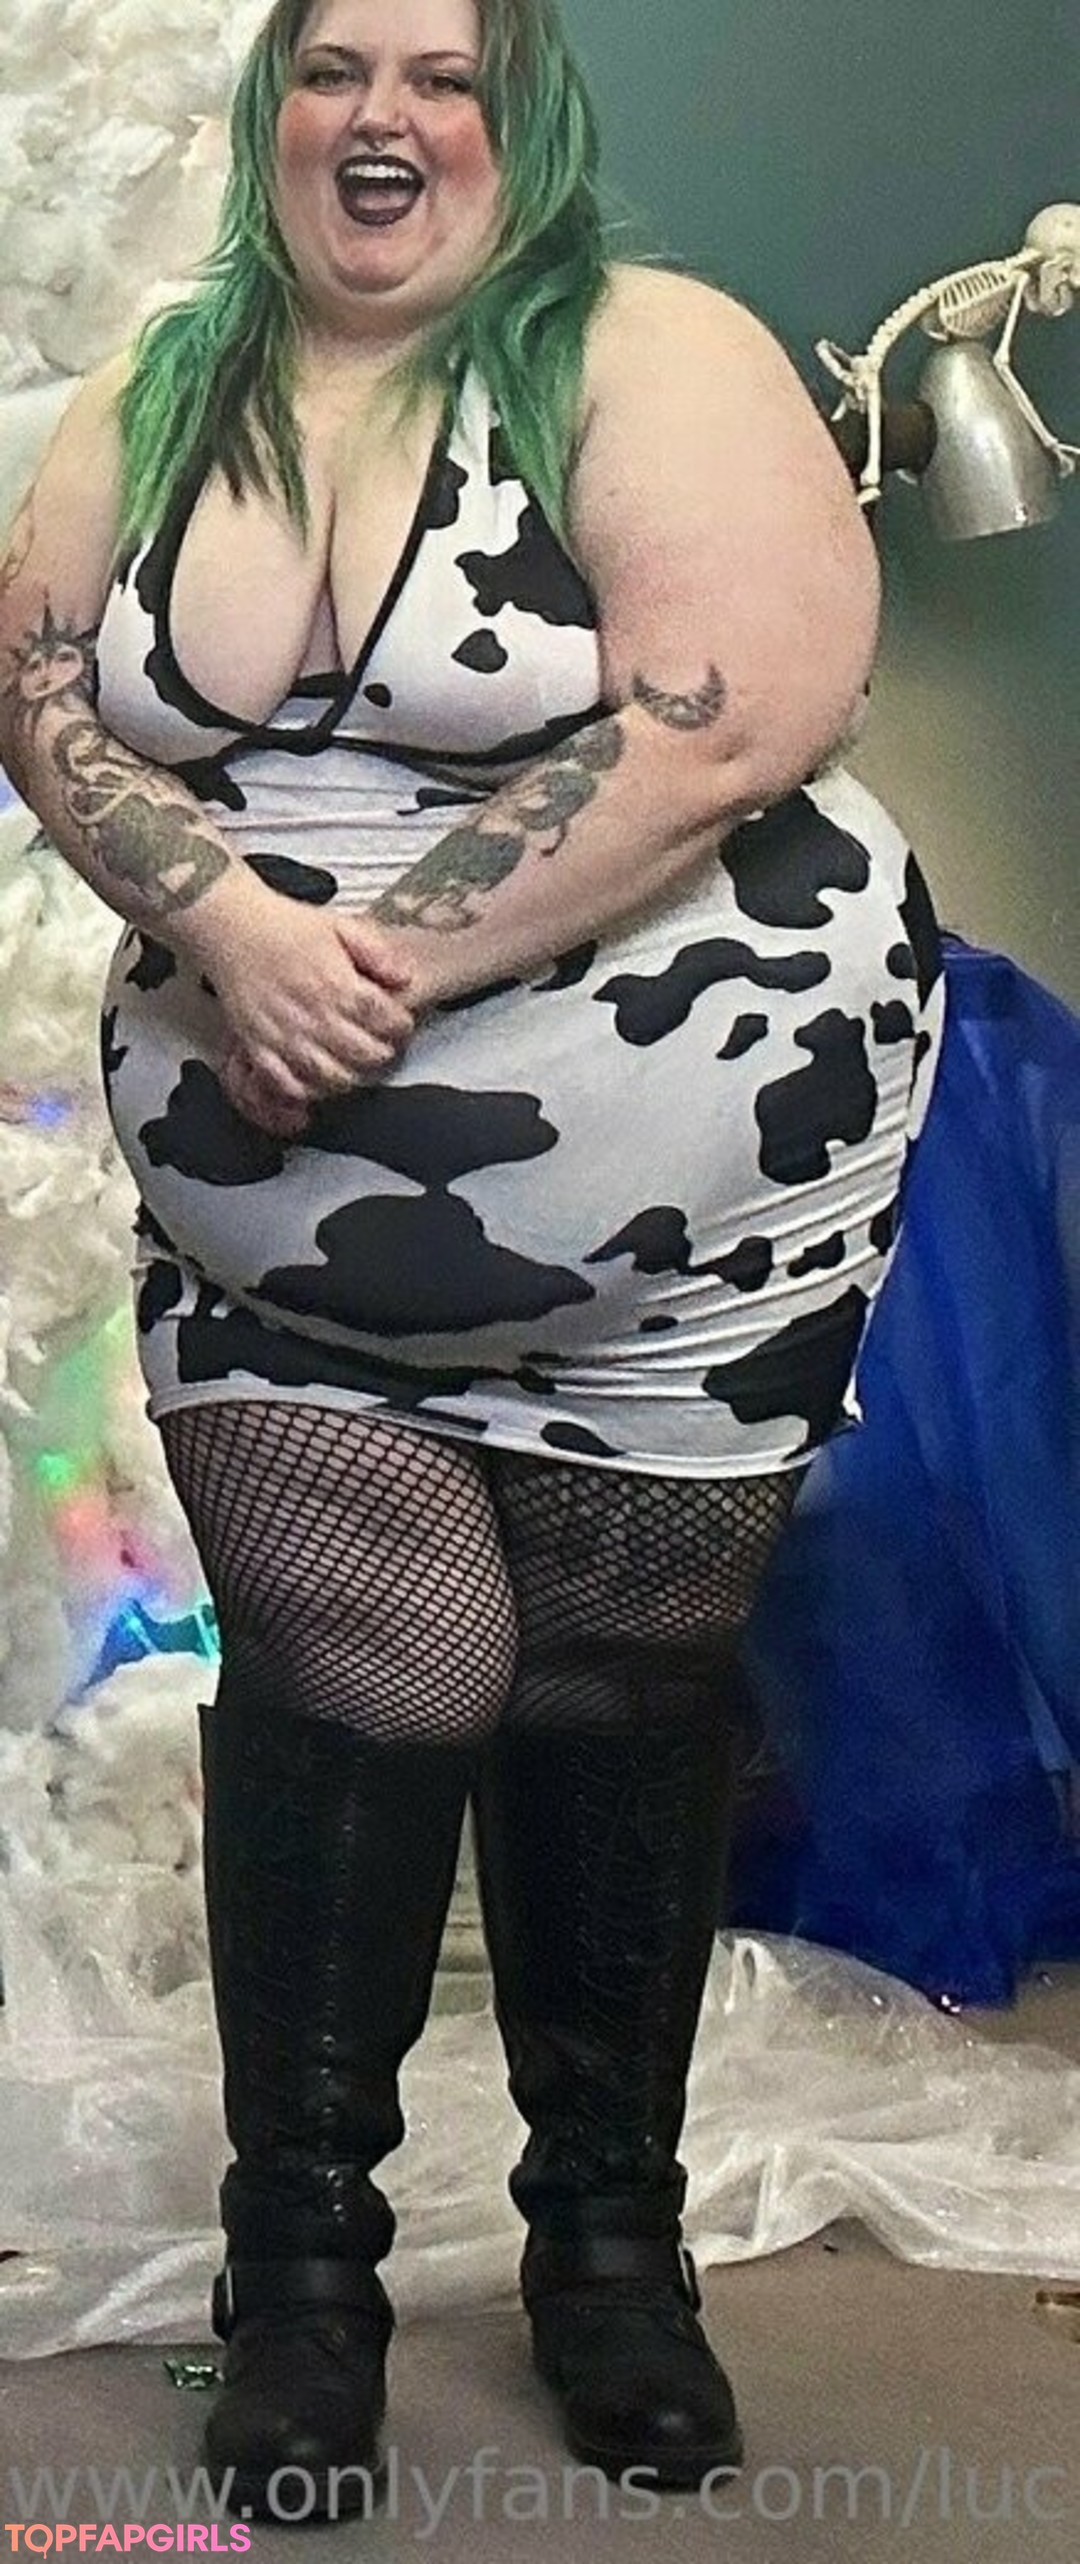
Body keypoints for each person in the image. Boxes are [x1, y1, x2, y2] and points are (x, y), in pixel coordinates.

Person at [0, 0, 945, 2521]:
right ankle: (298, 2273)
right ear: (273, 108)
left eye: (444, 73)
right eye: (335, 68)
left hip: (686, 1223)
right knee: (354, 1671)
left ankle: (607, 2251)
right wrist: (228, 922)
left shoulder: (652, 350)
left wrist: (374, 967)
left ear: (520, 118)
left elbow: (723, 712)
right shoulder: (162, 389)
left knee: (620, 1679)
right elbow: (40, 681)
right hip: (279, 1216)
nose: (384, 116)